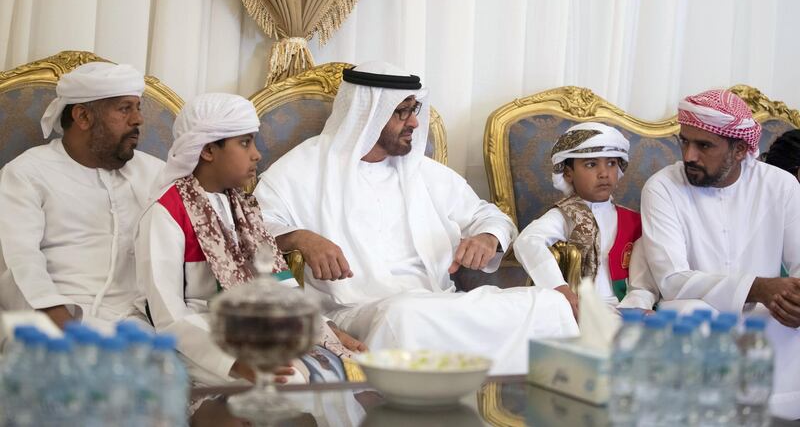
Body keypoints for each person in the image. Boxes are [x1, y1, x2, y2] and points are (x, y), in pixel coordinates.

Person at [254, 61, 578, 375]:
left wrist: (487, 238)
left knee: (549, 306)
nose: (413, 123)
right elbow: (251, 229)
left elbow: (491, 216)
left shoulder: (423, 172)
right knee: (404, 317)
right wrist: (300, 237)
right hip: (358, 310)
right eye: (401, 112)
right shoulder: (299, 171)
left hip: (438, 303)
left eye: (414, 110)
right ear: (368, 115)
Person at [135, 93, 363, 387]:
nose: (257, 154)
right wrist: (237, 363)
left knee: (354, 366)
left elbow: (281, 288)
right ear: (207, 150)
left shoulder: (245, 209)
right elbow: (168, 315)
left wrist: (330, 332)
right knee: (289, 379)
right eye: (245, 143)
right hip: (199, 338)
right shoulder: (167, 212)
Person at [639, 89, 800, 418]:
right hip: (696, 315)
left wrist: (794, 299)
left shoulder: (780, 185)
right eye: (684, 142)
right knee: (690, 315)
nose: (689, 156)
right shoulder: (662, 187)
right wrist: (758, 287)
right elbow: (671, 280)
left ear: (740, 149)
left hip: (768, 317)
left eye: (704, 146)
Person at [0, 62, 163, 333]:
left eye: (138, 107)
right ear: (83, 117)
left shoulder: (157, 174)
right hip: (55, 324)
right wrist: (72, 336)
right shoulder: (26, 174)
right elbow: (18, 265)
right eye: (125, 108)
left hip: (141, 328)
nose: (138, 120)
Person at [514, 123, 659, 317]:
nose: (604, 173)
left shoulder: (634, 221)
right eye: (591, 164)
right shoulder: (566, 214)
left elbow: (644, 282)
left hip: (627, 308)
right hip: (579, 309)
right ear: (568, 173)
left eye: (611, 163)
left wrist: (638, 308)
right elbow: (528, 241)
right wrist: (559, 288)